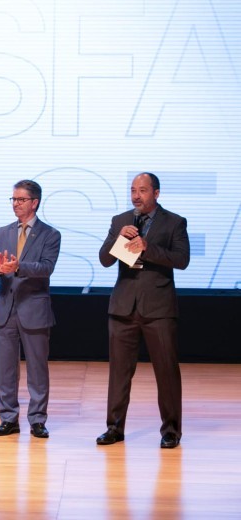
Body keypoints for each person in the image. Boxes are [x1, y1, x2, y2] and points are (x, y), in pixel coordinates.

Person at [96, 172, 190, 449]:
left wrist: (148, 248)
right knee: (119, 372)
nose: (136, 196)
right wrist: (118, 241)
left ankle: (171, 431)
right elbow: (104, 260)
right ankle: (114, 428)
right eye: (133, 190)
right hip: (123, 307)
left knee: (166, 372)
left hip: (158, 309)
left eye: (143, 190)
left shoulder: (174, 222)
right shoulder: (120, 221)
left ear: (156, 193)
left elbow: (182, 260)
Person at [0, 180, 61, 439]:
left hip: (34, 309)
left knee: (37, 369)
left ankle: (37, 420)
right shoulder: (3, 232)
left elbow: (47, 267)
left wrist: (18, 267)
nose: (15, 204)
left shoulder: (50, 234)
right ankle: (8, 419)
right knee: (5, 369)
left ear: (34, 202)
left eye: (21, 200)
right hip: (4, 307)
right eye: (13, 199)